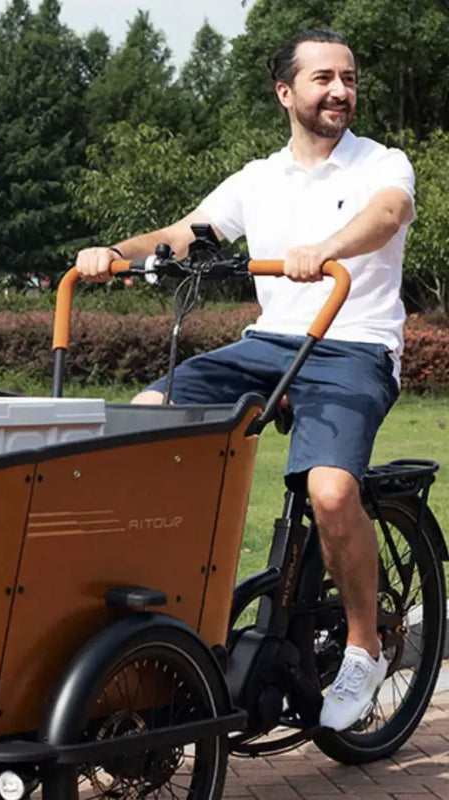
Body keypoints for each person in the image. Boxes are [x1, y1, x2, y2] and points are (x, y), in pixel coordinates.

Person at [76, 29, 415, 733]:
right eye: (324, 78)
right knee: (144, 415)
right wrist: (115, 253)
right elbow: (186, 233)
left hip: (351, 347)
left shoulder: (382, 164)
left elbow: (390, 215)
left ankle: (363, 645)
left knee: (329, 488)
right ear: (286, 92)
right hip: (269, 345)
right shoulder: (258, 178)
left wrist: (325, 249)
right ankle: (163, 610)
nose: (341, 91)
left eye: (349, 79)